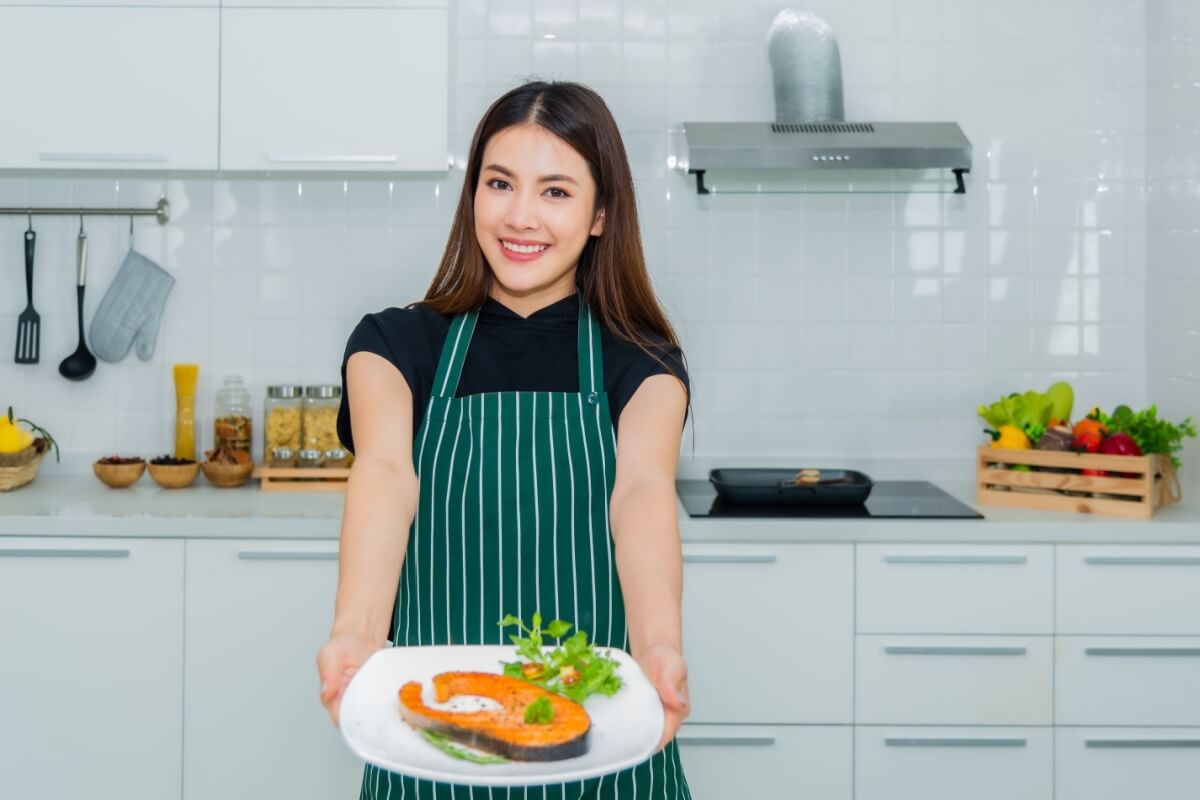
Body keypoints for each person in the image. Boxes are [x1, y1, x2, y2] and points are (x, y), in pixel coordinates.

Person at [317, 80, 693, 799]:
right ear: (473, 195)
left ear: (599, 215)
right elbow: (387, 473)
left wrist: (659, 646)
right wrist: (357, 634)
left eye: (555, 191)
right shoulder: (394, 346)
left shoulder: (640, 361)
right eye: (500, 183)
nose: (521, 216)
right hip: (434, 744)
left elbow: (643, 490)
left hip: (603, 742)